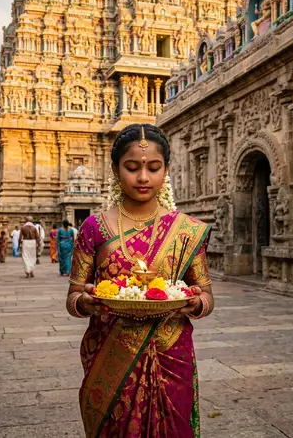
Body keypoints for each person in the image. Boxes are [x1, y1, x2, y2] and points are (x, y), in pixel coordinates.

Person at [66, 124, 214, 437]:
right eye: (132, 168)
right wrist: (87, 301)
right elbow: (74, 296)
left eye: (154, 168)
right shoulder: (94, 228)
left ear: (167, 170)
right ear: (116, 170)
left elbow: (207, 297)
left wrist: (194, 301)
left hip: (170, 350)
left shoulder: (186, 231)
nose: (143, 178)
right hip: (111, 350)